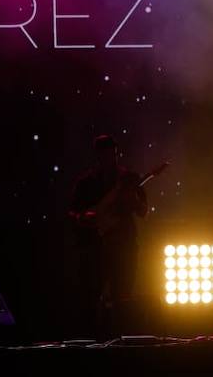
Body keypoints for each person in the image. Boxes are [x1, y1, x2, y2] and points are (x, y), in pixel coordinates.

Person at [68, 135, 149, 338]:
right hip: (95, 248)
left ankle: (122, 341)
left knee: (123, 296)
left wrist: (134, 201)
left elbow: (143, 211)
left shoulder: (130, 179)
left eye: (112, 154)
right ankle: (92, 341)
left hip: (124, 247)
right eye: (105, 154)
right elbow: (72, 212)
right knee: (91, 297)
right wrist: (82, 217)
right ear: (98, 156)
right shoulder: (86, 183)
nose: (110, 158)